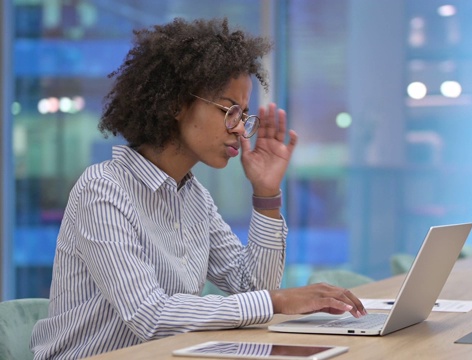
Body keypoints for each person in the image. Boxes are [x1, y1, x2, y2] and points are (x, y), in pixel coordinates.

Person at [30, 17, 366, 359]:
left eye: (244, 114)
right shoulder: (102, 189)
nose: (239, 129)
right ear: (176, 104)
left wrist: (266, 194)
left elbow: (253, 287)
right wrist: (274, 302)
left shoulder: (193, 197)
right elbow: (150, 315)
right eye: (229, 110)